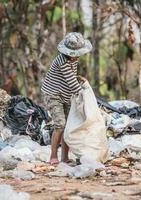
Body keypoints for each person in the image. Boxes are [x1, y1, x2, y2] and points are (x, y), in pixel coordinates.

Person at [41, 32, 92, 166]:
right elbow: (71, 81)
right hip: (53, 94)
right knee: (60, 125)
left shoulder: (73, 60)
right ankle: (53, 156)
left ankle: (64, 157)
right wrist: (86, 95)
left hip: (66, 94)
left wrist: (81, 81)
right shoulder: (61, 61)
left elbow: (72, 78)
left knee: (69, 126)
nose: (76, 57)